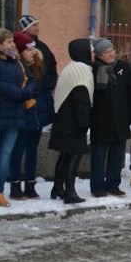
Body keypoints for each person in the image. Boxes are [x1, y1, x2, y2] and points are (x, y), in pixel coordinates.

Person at [48, 39, 95, 204]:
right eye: (91, 50)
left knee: (65, 154)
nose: (94, 54)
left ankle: (58, 188)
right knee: (74, 155)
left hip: (64, 118)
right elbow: (80, 99)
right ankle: (70, 191)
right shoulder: (82, 70)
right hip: (73, 121)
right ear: (84, 52)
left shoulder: (72, 66)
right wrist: (84, 123)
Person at [0, 28, 38, 207]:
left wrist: (25, 92)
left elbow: (31, 80)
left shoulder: (17, 62)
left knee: (5, 156)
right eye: (8, 43)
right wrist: (20, 94)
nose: (13, 46)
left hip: (15, 116)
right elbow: (3, 87)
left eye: (13, 42)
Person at [8, 32, 49, 199]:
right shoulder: (15, 68)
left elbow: (45, 89)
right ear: (19, 51)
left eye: (33, 49)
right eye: (28, 50)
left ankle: (30, 185)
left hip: (37, 114)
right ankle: (15, 186)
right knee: (17, 151)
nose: (32, 52)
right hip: (22, 115)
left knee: (32, 150)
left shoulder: (39, 65)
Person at [89, 38, 131, 197]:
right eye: (107, 52)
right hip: (100, 120)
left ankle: (113, 184)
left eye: (112, 50)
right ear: (99, 55)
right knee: (98, 156)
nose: (111, 54)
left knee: (117, 155)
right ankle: (97, 186)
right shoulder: (93, 70)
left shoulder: (123, 67)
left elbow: (130, 92)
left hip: (120, 118)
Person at [18, 15, 56, 117]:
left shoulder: (42, 46)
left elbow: (52, 65)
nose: (37, 28)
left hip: (43, 95)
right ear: (25, 28)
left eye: (37, 25)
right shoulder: (17, 46)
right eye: (33, 25)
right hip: (27, 100)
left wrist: (51, 83)